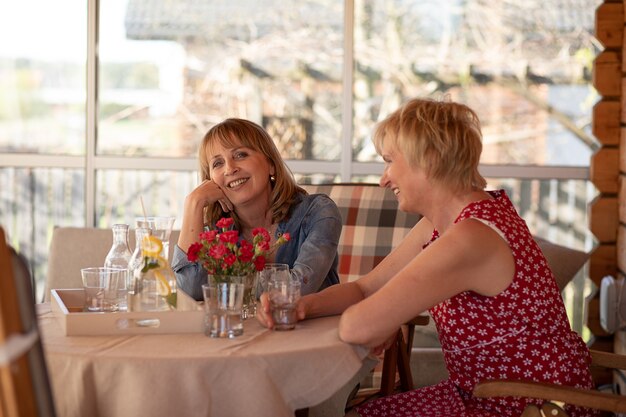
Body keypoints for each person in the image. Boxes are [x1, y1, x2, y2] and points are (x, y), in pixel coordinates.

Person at [257, 98, 597, 417]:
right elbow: (365, 289)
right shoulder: (446, 222)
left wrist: (384, 319)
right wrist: (304, 306)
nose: (383, 179)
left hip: (531, 406)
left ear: (429, 160)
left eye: (390, 161)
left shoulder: (470, 237)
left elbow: (359, 324)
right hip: (487, 395)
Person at [172, 118, 341, 301]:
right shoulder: (218, 231)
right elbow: (191, 292)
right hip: (241, 330)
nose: (230, 169)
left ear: (271, 164)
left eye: (240, 155)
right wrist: (193, 203)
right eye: (217, 163)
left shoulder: (319, 212)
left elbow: (298, 288)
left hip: (312, 328)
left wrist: (222, 286)